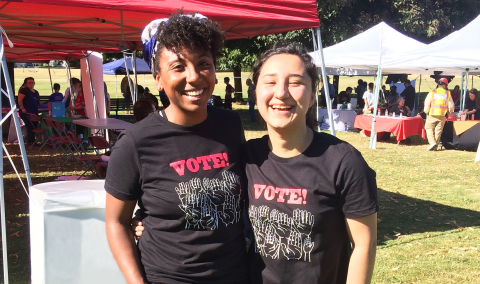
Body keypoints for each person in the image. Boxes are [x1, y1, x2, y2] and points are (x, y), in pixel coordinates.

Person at [105, 12, 248, 284]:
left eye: (203, 63)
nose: (194, 77)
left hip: (236, 274)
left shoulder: (231, 125)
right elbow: (116, 222)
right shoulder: (135, 143)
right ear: (158, 78)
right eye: (178, 67)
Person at [246, 42, 377, 283]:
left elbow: (363, 244)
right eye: (270, 82)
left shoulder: (343, 162)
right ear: (256, 90)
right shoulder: (246, 157)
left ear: (313, 92)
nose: (281, 93)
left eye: (295, 82)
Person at [423, 77, 455, 151]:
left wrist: (426, 111)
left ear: (438, 84)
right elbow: (451, 106)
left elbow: (427, 103)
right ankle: (435, 146)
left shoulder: (432, 92)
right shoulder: (447, 93)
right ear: (445, 85)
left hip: (432, 114)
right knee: (438, 130)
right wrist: (448, 113)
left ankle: (432, 143)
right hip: (442, 115)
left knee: (429, 128)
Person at [18, 77, 42, 144]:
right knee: (29, 125)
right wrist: (22, 108)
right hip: (26, 112)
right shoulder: (24, 90)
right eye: (29, 82)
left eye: (32, 82)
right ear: (26, 83)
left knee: (35, 125)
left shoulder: (36, 92)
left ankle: (32, 139)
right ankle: (30, 141)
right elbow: (20, 100)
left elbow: (37, 100)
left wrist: (39, 102)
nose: (31, 84)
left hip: (34, 111)